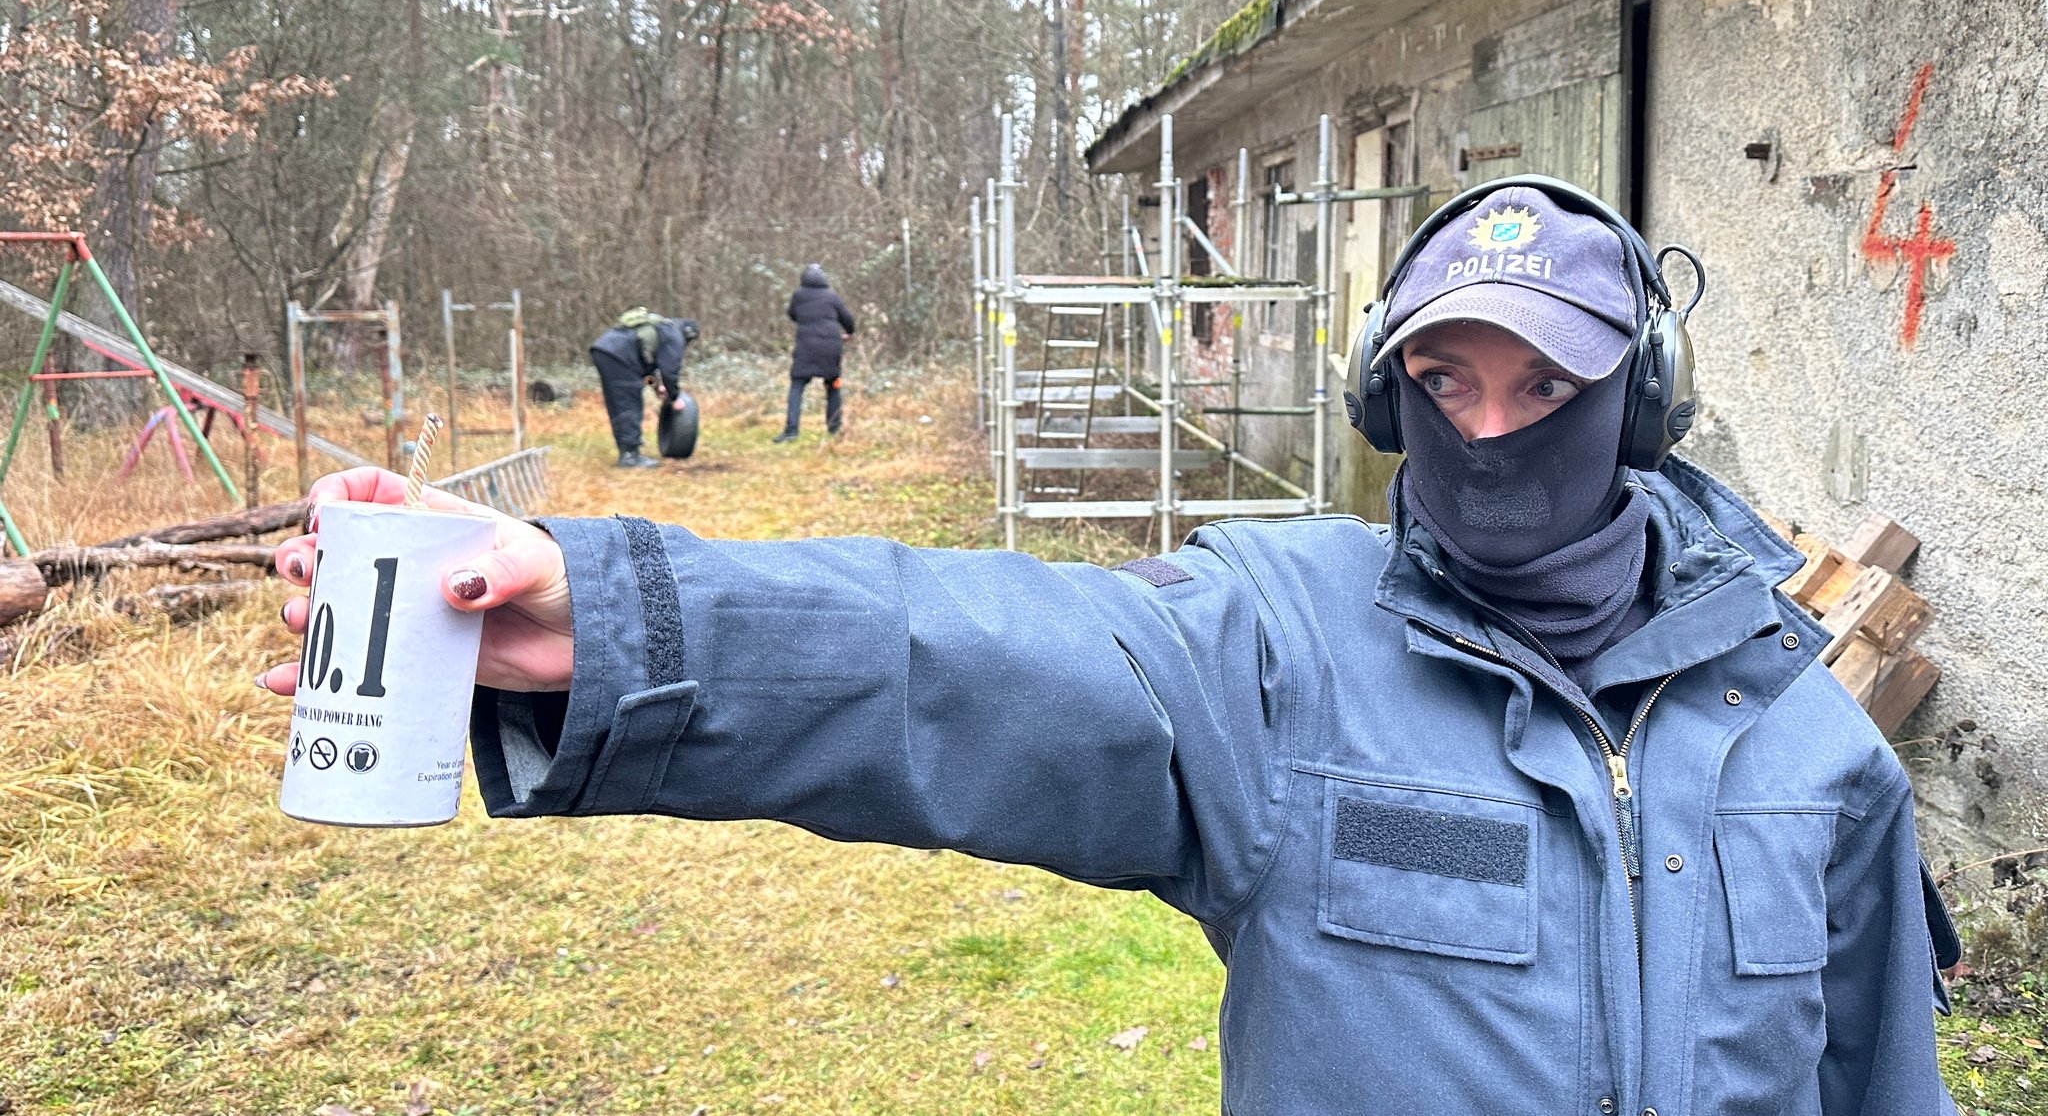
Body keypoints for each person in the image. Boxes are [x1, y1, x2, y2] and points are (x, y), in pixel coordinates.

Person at [261, 178, 1958, 1115]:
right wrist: (608, 622)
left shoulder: (1807, 752)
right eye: (1444, 384)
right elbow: (963, 652)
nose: (1489, 428)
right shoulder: (1281, 654)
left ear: (1636, 409)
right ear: (1389, 400)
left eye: (1547, 389)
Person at [588, 307, 697, 468]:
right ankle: (630, 456)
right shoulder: (675, 335)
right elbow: (669, 371)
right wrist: (674, 398)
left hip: (603, 350)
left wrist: (657, 387)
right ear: (689, 335)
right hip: (618, 356)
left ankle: (627, 450)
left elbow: (648, 364)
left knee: (618, 402)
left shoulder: (661, 327)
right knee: (629, 402)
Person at [775, 263, 855, 442]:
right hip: (831, 347)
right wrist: (849, 333)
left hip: (806, 348)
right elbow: (848, 319)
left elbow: (792, 315)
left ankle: (791, 431)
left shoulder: (798, 296)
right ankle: (834, 428)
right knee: (833, 385)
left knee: (797, 386)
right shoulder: (832, 296)